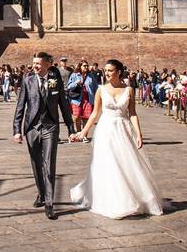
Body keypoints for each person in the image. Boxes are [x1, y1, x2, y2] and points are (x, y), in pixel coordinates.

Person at [70, 59, 164, 219]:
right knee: (109, 163)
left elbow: (132, 113)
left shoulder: (129, 90)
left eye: (110, 70)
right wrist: (83, 132)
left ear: (119, 72)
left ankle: (133, 198)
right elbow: (95, 113)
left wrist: (139, 134)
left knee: (126, 163)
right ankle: (114, 200)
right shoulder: (101, 90)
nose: (106, 73)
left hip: (124, 129)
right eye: (106, 70)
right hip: (105, 130)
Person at [12, 51, 75, 221]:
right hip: (32, 127)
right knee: (36, 163)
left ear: (48, 64)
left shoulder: (55, 79)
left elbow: (63, 103)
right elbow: (20, 106)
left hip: (50, 126)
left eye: (38, 64)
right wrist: (17, 130)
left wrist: (71, 128)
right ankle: (41, 193)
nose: (35, 66)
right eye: (34, 63)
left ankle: (49, 203)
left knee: (48, 163)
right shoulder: (28, 79)